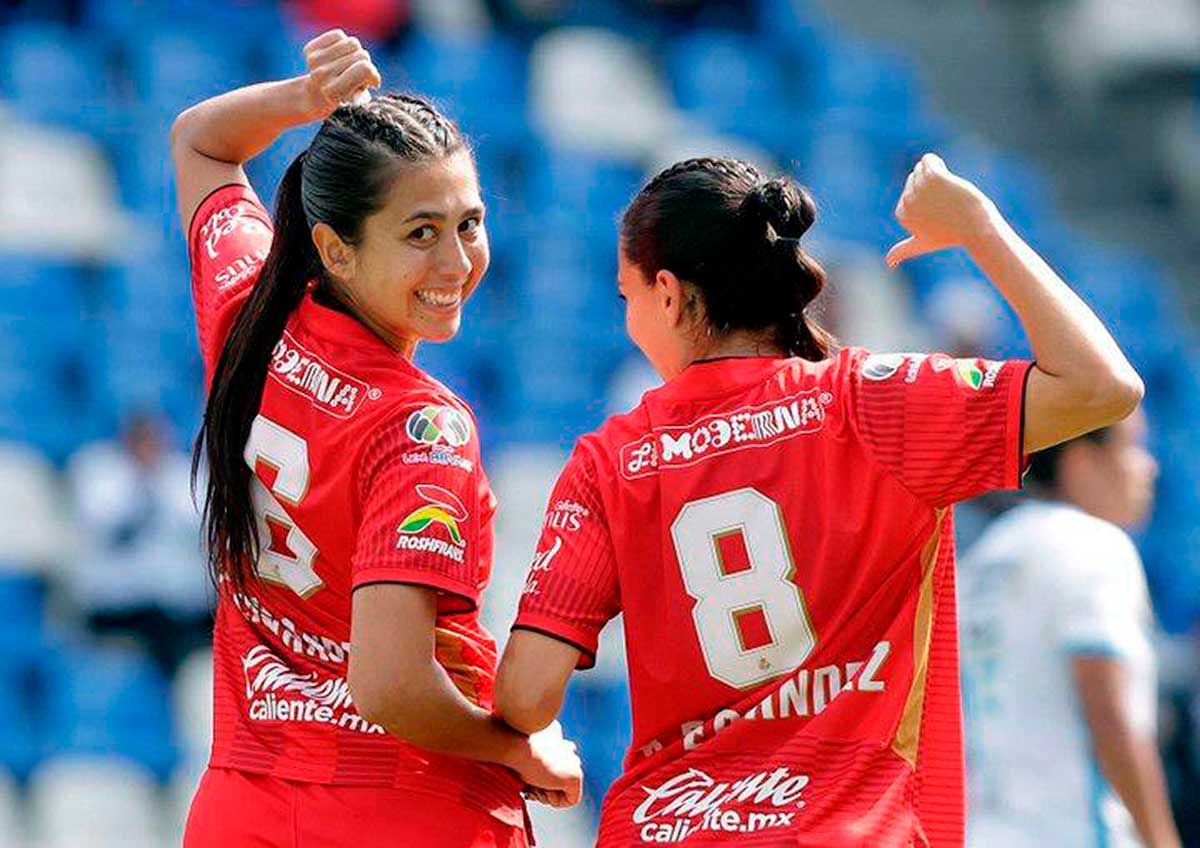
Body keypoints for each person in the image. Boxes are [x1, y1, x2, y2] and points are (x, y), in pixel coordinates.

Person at [493, 153, 1144, 846]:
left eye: (627, 299)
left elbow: (527, 694)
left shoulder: (610, 458)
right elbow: (1102, 388)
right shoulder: (875, 403)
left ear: (669, 293)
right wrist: (979, 227)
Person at [171, 28, 580, 848]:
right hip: (406, 807)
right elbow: (390, 687)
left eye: (470, 222)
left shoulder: (248, 311)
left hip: (243, 804)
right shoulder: (422, 427)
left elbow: (200, 144)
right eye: (420, 232)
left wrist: (304, 100)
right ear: (335, 249)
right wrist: (520, 750)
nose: (457, 260)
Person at [960, 409, 1180, 848]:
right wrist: (1160, 838)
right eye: (1132, 447)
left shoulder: (984, 558)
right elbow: (1110, 712)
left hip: (978, 831)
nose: (1148, 467)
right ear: (1081, 462)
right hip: (1071, 831)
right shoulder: (1093, 544)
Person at [68, 412, 212, 677]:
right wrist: (140, 483)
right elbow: (106, 525)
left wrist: (156, 483)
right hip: (118, 604)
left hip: (177, 609)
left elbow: (199, 527)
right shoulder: (99, 474)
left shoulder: (182, 474)